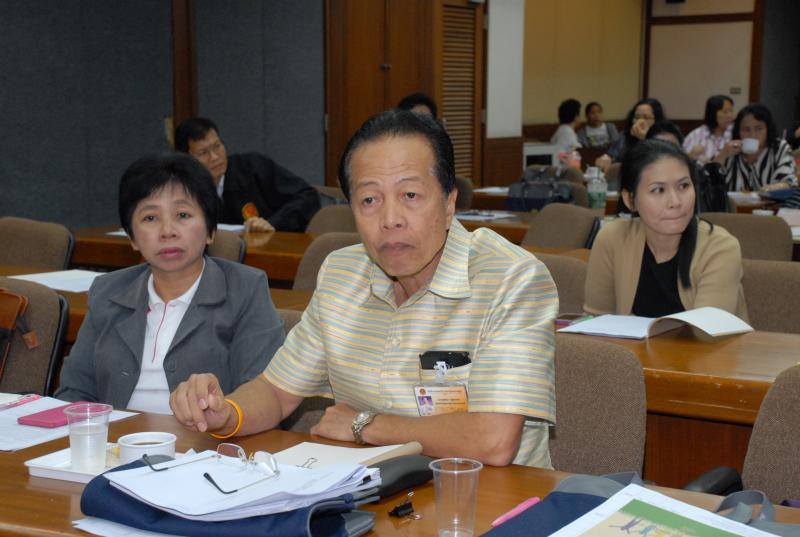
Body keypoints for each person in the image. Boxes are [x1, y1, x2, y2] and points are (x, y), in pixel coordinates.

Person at [170, 110, 558, 468]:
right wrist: (226, 413)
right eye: (369, 200)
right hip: (373, 492)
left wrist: (363, 424)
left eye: (410, 195)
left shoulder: (511, 278)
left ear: (449, 202)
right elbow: (276, 392)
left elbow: (492, 441)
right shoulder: (341, 273)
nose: (390, 219)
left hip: (493, 498)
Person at [56, 153, 285, 412]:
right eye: (150, 218)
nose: (167, 231)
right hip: (115, 437)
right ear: (132, 237)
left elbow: (260, 398)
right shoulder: (108, 292)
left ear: (210, 230)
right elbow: (74, 392)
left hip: (207, 436)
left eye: (183, 215)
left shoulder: (246, 290)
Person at [584, 139, 747, 320]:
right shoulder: (613, 238)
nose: (675, 202)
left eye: (684, 186)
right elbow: (596, 321)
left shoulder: (720, 247)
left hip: (706, 340)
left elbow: (708, 331)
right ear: (630, 199)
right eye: (658, 190)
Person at [174, 117, 320, 232]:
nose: (215, 157)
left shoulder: (254, 167)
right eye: (203, 153)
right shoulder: (181, 188)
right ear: (186, 159)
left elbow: (308, 196)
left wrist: (272, 223)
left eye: (217, 146)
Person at [715, 103, 797, 192]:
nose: (752, 135)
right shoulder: (730, 150)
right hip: (735, 201)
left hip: (771, 200)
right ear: (738, 131)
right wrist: (722, 155)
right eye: (746, 129)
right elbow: (710, 182)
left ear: (768, 129)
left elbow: (789, 181)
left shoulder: (779, 148)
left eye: (759, 129)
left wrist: (771, 189)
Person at [596, 98, 665, 172]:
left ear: (656, 121)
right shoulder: (625, 136)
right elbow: (612, 155)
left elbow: (660, 164)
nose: (640, 121)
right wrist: (606, 158)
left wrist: (645, 139)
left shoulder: (664, 138)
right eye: (636, 117)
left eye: (646, 118)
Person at [682, 95, 734, 164]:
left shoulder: (735, 133)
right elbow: (680, 161)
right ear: (712, 113)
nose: (730, 116)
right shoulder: (695, 135)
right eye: (725, 112)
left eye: (731, 111)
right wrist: (691, 155)